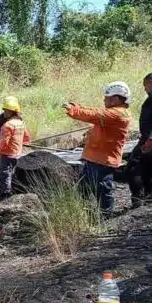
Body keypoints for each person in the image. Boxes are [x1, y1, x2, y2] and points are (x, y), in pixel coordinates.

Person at [64, 81, 132, 216]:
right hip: (95, 159)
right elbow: (95, 111)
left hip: (103, 160)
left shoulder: (118, 114)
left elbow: (94, 115)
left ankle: (106, 218)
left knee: (102, 190)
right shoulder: (113, 112)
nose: (104, 100)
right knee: (83, 189)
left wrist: (74, 110)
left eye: (106, 97)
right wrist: (79, 107)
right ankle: (87, 216)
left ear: (116, 99)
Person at [0, 97, 30, 201]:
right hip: (18, 154)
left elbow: (4, 141)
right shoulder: (21, 123)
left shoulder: (7, 125)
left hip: (7, 154)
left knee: (4, 174)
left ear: (12, 112)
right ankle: (9, 192)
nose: (4, 112)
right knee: (12, 173)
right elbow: (27, 138)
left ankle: (4, 196)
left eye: (6, 110)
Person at [127, 73, 152, 207]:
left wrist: (150, 140)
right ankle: (147, 198)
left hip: (148, 139)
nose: (145, 88)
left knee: (134, 166)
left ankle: (139, 199)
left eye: (146, 85)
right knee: (146, 167)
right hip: (146, 138)